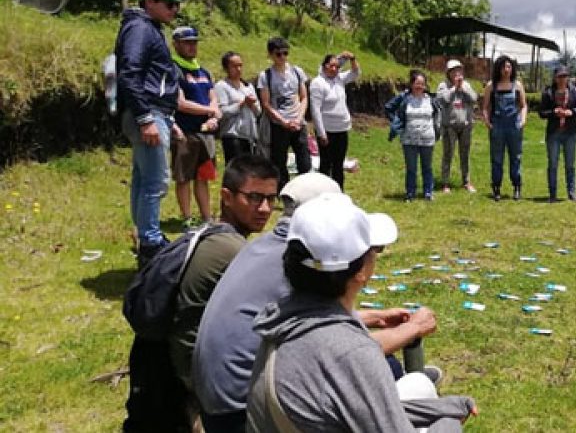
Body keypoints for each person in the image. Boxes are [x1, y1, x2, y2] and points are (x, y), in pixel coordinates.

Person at [193, 173, 439, 432]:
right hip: (242, 414)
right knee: (404, 380)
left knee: (396, 373)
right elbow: (344, 352)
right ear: (359, 269)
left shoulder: (276, 256)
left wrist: (374, 317)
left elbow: (316, 328)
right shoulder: (347, 345)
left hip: (228, 404)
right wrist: (412, 328)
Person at [246, 193, 477, 432]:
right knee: (425, 394)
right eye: (374, 249)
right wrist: (448, 423)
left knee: (419, 384)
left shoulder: (281, 319)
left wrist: (443, 408)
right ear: (361, 271)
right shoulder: (352, 353)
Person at [168, 155, 279, 426]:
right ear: (226, 197)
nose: (265, 208)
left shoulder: (212, 232)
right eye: (254, 198)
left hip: (183, 356)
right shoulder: (234, 251)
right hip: (202, 372)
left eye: (270, 199)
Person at [115, 0, 187, 267]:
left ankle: (146, 238)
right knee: (156, 182)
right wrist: (147, 118)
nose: (174, 9)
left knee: (144, 179)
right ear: (150, 2)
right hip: (148, 112)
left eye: (177, 4)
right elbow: (129, 73)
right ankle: (150, 243)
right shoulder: (140, 28)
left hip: (155, 112)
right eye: (169, 3)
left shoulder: (148, 28)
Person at [171, 26, 222, 229]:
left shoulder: (203, 71)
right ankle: (186, 218)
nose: (192, 46)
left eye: (194, 42)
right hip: (185, 131)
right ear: (176, 44)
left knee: (203, 176)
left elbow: (213, 96)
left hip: (205, 132)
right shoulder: (174, 69)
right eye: (187, 43)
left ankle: (206, 217)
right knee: (184, 177)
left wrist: (214, 116)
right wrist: (209, 110)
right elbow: (180, 103)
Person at [258, 37, 310, 190]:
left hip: (298, 122)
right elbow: (266, 103)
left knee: (304, 161)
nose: (282, 57)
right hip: (279, 124)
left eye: (285, 53)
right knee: (279, 162)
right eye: (278, 54)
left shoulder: (297, 72)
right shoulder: (266, 76)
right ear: (270, 55)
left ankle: (305, 190)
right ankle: (283, 191)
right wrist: (283, 121)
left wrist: (299, 118)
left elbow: (304, 97)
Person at [386, 70, 440, 201]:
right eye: (417, 83)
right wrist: (396, 122)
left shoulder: (431, 99)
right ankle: (410, 193)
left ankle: (428, 192)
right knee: (411, 168)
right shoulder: (405, 98)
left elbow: (438, 115)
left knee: (427, 167)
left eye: (422, 84)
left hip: (427, 139)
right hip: (408, 139)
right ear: (411, 84)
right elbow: (388, 107)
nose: (419, 86)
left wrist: (437, 129)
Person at [539, 65, 576, 202]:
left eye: (565, 76)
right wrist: (553, 112)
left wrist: (572, 112)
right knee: (553, 164)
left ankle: (571, 192)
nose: (562, 79)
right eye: (560, 76)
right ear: (555, 78)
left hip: (570, 133)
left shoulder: (575, 92)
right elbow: (541, 113)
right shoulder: (548, 93)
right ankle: (552, 194)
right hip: (553, 133)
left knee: (570, 164)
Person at [310, 51, 359, 190]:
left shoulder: (339, 79)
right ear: (324, 66)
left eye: (337, 67)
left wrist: (352, 58)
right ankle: (323, 191)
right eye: (331, 66)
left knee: (339, 163)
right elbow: (315, 110)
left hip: (341, 128)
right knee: (326, 164)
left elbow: (355, 73)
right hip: (327, 130)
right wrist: (321, 133)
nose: (334, 69)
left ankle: (338, 191)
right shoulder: (318, 83)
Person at [481, 55, 527, 201]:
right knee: (496, 158)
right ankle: (496, 187)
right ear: (498, 69)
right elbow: (485, 106)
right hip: (497, 127)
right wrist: (487, 121)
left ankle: (517, 186)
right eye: (503, 67)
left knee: (516, 157)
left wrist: (523, 120)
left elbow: (523, 105)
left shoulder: (517, 85)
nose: (506, 70)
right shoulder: (491, 86)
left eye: (508, 66)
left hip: (514, 126)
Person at [435, 59, 478, 194]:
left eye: (459, 71)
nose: (457, 73)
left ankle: (466, 181)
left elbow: (474, 98)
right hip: (449, 127)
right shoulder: (443, 86)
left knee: (465, 154)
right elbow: (443, 100)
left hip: (465, 125)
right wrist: (454, 88)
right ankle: (445, 182)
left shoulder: (466, 85)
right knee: (448, 154)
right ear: (448, 73)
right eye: (454, 71)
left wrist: (463, 89)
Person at [215, 51, 261, 164]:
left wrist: (252, 105)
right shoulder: (222, 86)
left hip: (250, 136)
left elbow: (258, 111)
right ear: (226, 68)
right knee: (237, 169)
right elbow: (222, 112)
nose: (238, 69)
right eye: (234, 66)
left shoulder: (248, 86)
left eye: (240, 65)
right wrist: (242, 104)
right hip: (232, 136)